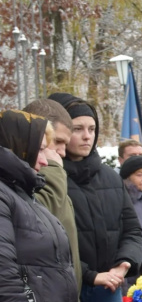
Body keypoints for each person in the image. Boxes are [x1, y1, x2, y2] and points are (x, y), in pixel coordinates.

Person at [50, 92, 142, 302]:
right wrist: (92, 275)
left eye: (91, 129)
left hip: (108, 291)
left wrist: (123, 265)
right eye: (77, 129)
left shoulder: (110, 177)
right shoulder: (50, 177)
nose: (86, 136)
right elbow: (54, 239)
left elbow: (132, 228)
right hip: (70, 290)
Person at [0, 110, 85, 302]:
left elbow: (59, 269)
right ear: (16, 147)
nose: (45, 161)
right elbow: (4, 276)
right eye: (39, 150)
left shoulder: (24, 195)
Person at [23, 98, 80, 288]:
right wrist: (54, 170)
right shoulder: (51, 176)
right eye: (57, 141)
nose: (62, 152)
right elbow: (38, 217)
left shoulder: (53, 178)